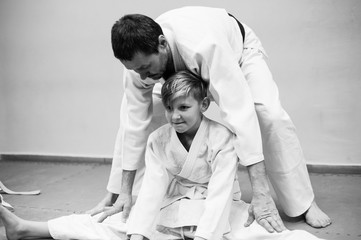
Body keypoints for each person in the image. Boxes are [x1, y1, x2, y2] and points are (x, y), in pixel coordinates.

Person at [0, 71, 325, 240]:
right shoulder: (159, 139)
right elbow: (154, 188)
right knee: (118, 225)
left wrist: (203, 237)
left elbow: (220, 192)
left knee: (255, 233)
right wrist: (139, 233)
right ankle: (27, 228)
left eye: (184, 107)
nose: (175, 116)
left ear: (204, 105)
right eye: (169, 108)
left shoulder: (223, 137)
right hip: (173, 200)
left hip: (217, 206)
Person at [88, 6, 331, 231]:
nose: (142, 75)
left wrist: (260, 193)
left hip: (237, 55)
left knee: (269, 114)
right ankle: (122, 198)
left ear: (162, 44)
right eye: (136, 70)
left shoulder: (204, 44)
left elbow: (239, 112)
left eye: (145, 67)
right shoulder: (138, 64)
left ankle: (303, 203)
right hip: (177, 67)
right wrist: (123, 190)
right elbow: (133, 125)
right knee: (138, 119)